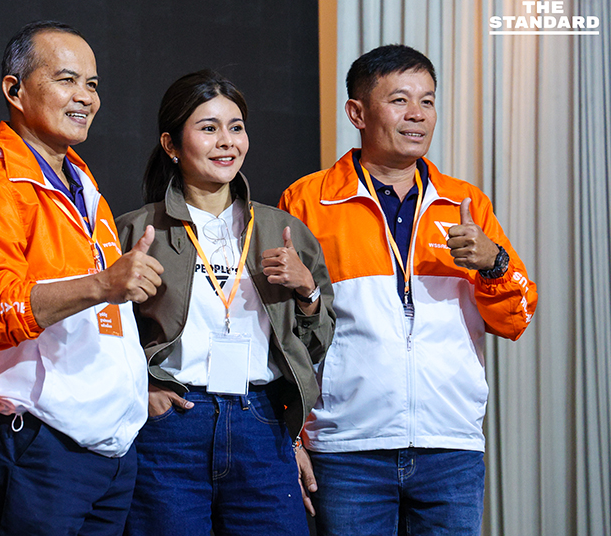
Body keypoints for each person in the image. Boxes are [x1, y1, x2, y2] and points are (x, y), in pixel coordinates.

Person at [279, 44, 538, 535]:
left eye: (428, 100)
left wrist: (494, 263)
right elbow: (280, 332)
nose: (417, 114)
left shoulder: (465, 203)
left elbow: (517, 317)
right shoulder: (308, 201)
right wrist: (290, 436)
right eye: (399, 100)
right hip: (346, 448)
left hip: (450, 448)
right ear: (357, 113)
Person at [0, 21, 163, 536]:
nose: (85, 97)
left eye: (92, 84)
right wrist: (103, 285)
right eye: (67, 80)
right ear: (14, 90)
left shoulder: (81, 180)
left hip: (111, 450)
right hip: (43, 447)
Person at [116, 69, 336, 536]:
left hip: (261, 423)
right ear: (171, 145)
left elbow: (316, 344)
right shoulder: (138, 229)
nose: (226, 142)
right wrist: (144, 392)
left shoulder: (280, 229)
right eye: (208, 128)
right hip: (173, 425)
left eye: (236, 127)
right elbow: (107, 335)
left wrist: (307, 291)